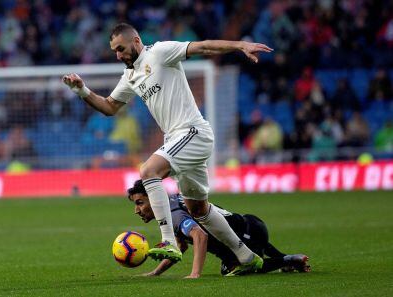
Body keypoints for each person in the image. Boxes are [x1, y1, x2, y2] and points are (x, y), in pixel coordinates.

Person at [62, 23, 273, 276]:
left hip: (193, 132)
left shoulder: (160, 53)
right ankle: (246, 256)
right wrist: (82, 90)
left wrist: (240, 45)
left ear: (136, 41)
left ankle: (168, 241)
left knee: (148, 170)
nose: (118, 55)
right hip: (178, 140)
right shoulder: (130, 76)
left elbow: (203, 46)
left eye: (121, 48)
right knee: (199, 210)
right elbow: (109, 106)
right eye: (114, 51)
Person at [127, 180, 310, 278]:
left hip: (248, 232)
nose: (136, 210)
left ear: (153, 198)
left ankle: (288, 260)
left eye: (140, 203)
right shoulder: (174, 202)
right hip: (251, 227)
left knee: (233, 267)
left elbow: (199, 236)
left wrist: (195, 274)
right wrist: (155, 272)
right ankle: (289, 260)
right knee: (234, 257)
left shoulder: (173, 213)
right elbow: (180, 248)